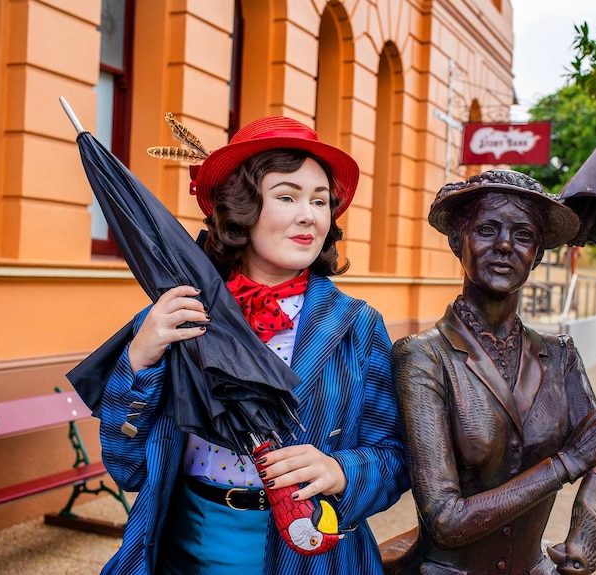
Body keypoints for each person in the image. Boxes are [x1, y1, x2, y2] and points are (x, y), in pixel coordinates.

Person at [96, 116, 410, 574]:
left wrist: (342, 471)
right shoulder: (178, 314)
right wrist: (138, 360)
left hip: (310, 558)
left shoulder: (357, 326)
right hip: (180, 552)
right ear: (241, 209)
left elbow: (395, 456)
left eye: (320, 201)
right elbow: (127, 467)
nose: (310, 214)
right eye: (287, 196)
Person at [390, 170, 596, 574]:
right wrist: (566, 463)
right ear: (458, 240)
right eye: (487, 229)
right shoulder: (424, 357)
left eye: (524, 235)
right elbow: (444, 520)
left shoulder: (559, 355)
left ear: (539, 255)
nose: (505, 245)